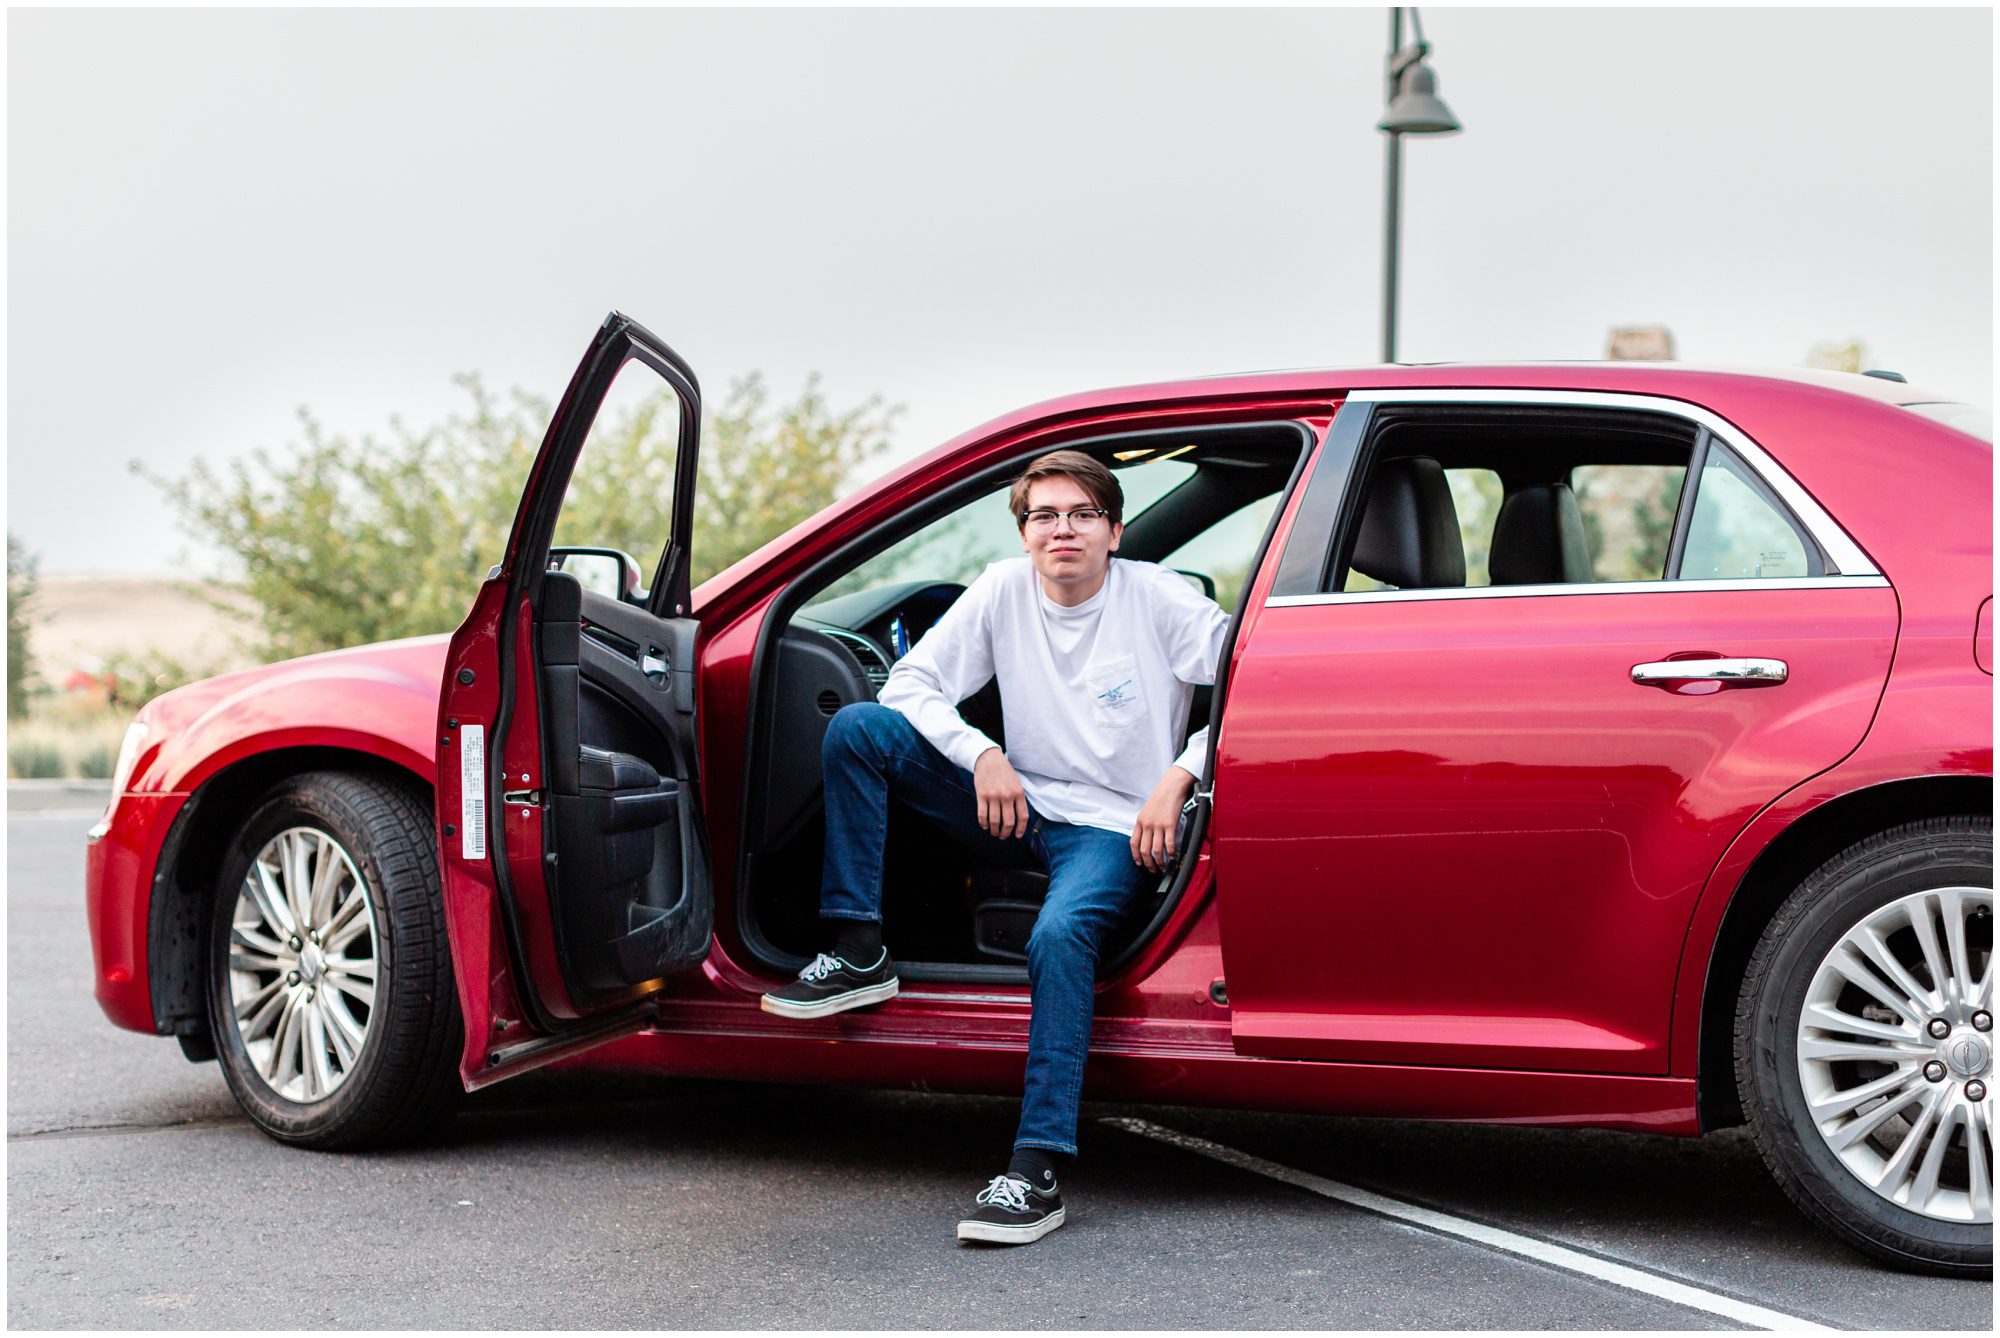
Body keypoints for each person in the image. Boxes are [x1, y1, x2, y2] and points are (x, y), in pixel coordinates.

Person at [761, 448, 1229, 1245]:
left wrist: (1179, 776)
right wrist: (983, 754)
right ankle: (858, 950)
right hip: (1018, 803)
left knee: (1058, 934)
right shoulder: (1003, 590)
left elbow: (1256, 686)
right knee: (861, 729)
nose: (1063, 531)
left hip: (1115, 829)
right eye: (1044, 516)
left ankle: (1035, 1172)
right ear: (1023, 533)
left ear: (1115, 531)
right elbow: (909, 684)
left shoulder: (1160, 600)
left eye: (1083, 514)